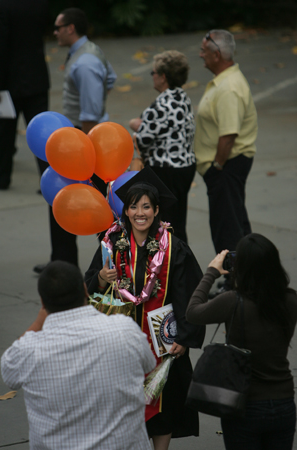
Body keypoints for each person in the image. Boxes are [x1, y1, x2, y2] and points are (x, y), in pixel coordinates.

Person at [85, 167, 205, 450]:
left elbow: (191, 294)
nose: (141, 213)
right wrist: (101, 278)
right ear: (125, 211)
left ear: (157, 210)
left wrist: (184, 339)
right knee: (124, 407)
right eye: (134, 206)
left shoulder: (174, 247)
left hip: (161, 342)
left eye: (147, 206)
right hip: (120, 341)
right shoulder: (112, 243)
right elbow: (88, 288)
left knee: (161, 405)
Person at [1, 260, 155, 450]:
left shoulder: (28, 350)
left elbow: (8, 372)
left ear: (42, 302)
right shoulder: (124, 330)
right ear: (84, 289)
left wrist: (40, 319)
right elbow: (149, 365)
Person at [186, 233, 297, 450]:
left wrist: (211, 272)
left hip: (244, 405)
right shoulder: (290, 300)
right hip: (284, 403)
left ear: (241, 268)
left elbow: (192, 312)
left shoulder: (232, 302)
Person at [33, 8, 117, 274]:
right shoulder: (90, 52)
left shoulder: (85, 62)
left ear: (71, 28)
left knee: (76, 203)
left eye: (58, 27)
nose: (55, 32)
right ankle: (63, 261)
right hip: (79, 137)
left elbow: (91, 113)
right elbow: (111, 78)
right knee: (63, 201)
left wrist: (84, 147)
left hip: (83, 143)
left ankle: (99, 266)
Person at [194, 29, 258, 293]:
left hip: (226, 165)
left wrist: (216, 167)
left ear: (217, 54)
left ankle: (235, 285)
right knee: (236, 222)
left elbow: (228, 135)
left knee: (227, 228)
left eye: (204, 51)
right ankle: (246, 279)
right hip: (227, 166)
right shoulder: (225, 80)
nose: (200, 55)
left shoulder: (229, 87)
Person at [129, 50, 196, 244]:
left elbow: (143, 140)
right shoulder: (182, 98)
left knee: (164, 225)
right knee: (178, 222)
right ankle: (182, 264)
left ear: (163, 77)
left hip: (165, 171)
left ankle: (168, 266)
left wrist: (136, 126)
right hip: (185, 167)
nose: (152, 76)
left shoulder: (161, 104)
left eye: (153, 73)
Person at [0, 0, 49, 190]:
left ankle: (2, 177)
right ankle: (47, 179)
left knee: (4, 131)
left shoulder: (2, 6)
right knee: (42, 133)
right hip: (36, 77)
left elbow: (1, 46)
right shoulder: (39, 4)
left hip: (10, 80)